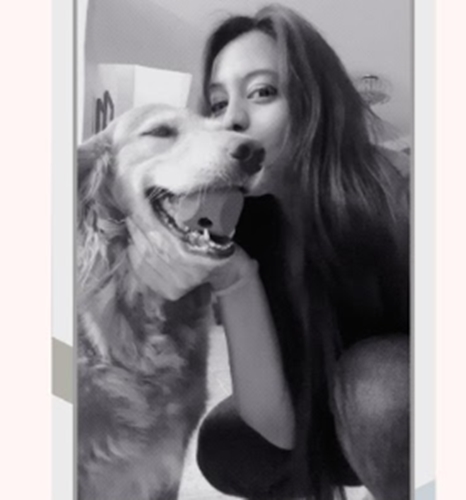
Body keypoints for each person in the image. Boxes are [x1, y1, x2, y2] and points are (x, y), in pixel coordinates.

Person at [129, 4, 410, 500]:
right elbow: (276, 430)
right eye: (217, 104)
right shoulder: (244, 222)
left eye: (262, 92)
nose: (232, 119)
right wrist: (234, 276)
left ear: (315, 102)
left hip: (412, 408)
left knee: (376, 387)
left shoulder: (398, 192)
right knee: (227, 445)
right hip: (330, 420)